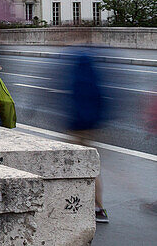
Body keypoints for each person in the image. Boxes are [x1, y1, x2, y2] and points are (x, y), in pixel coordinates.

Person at [62, 46, 111, 223]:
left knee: (72, 164)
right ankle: (98, 206)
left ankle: (78, 204)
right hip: (93, 124)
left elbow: (74, 101)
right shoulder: (93, 74)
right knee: (93, 168)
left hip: (78, 125)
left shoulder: (77, 75)